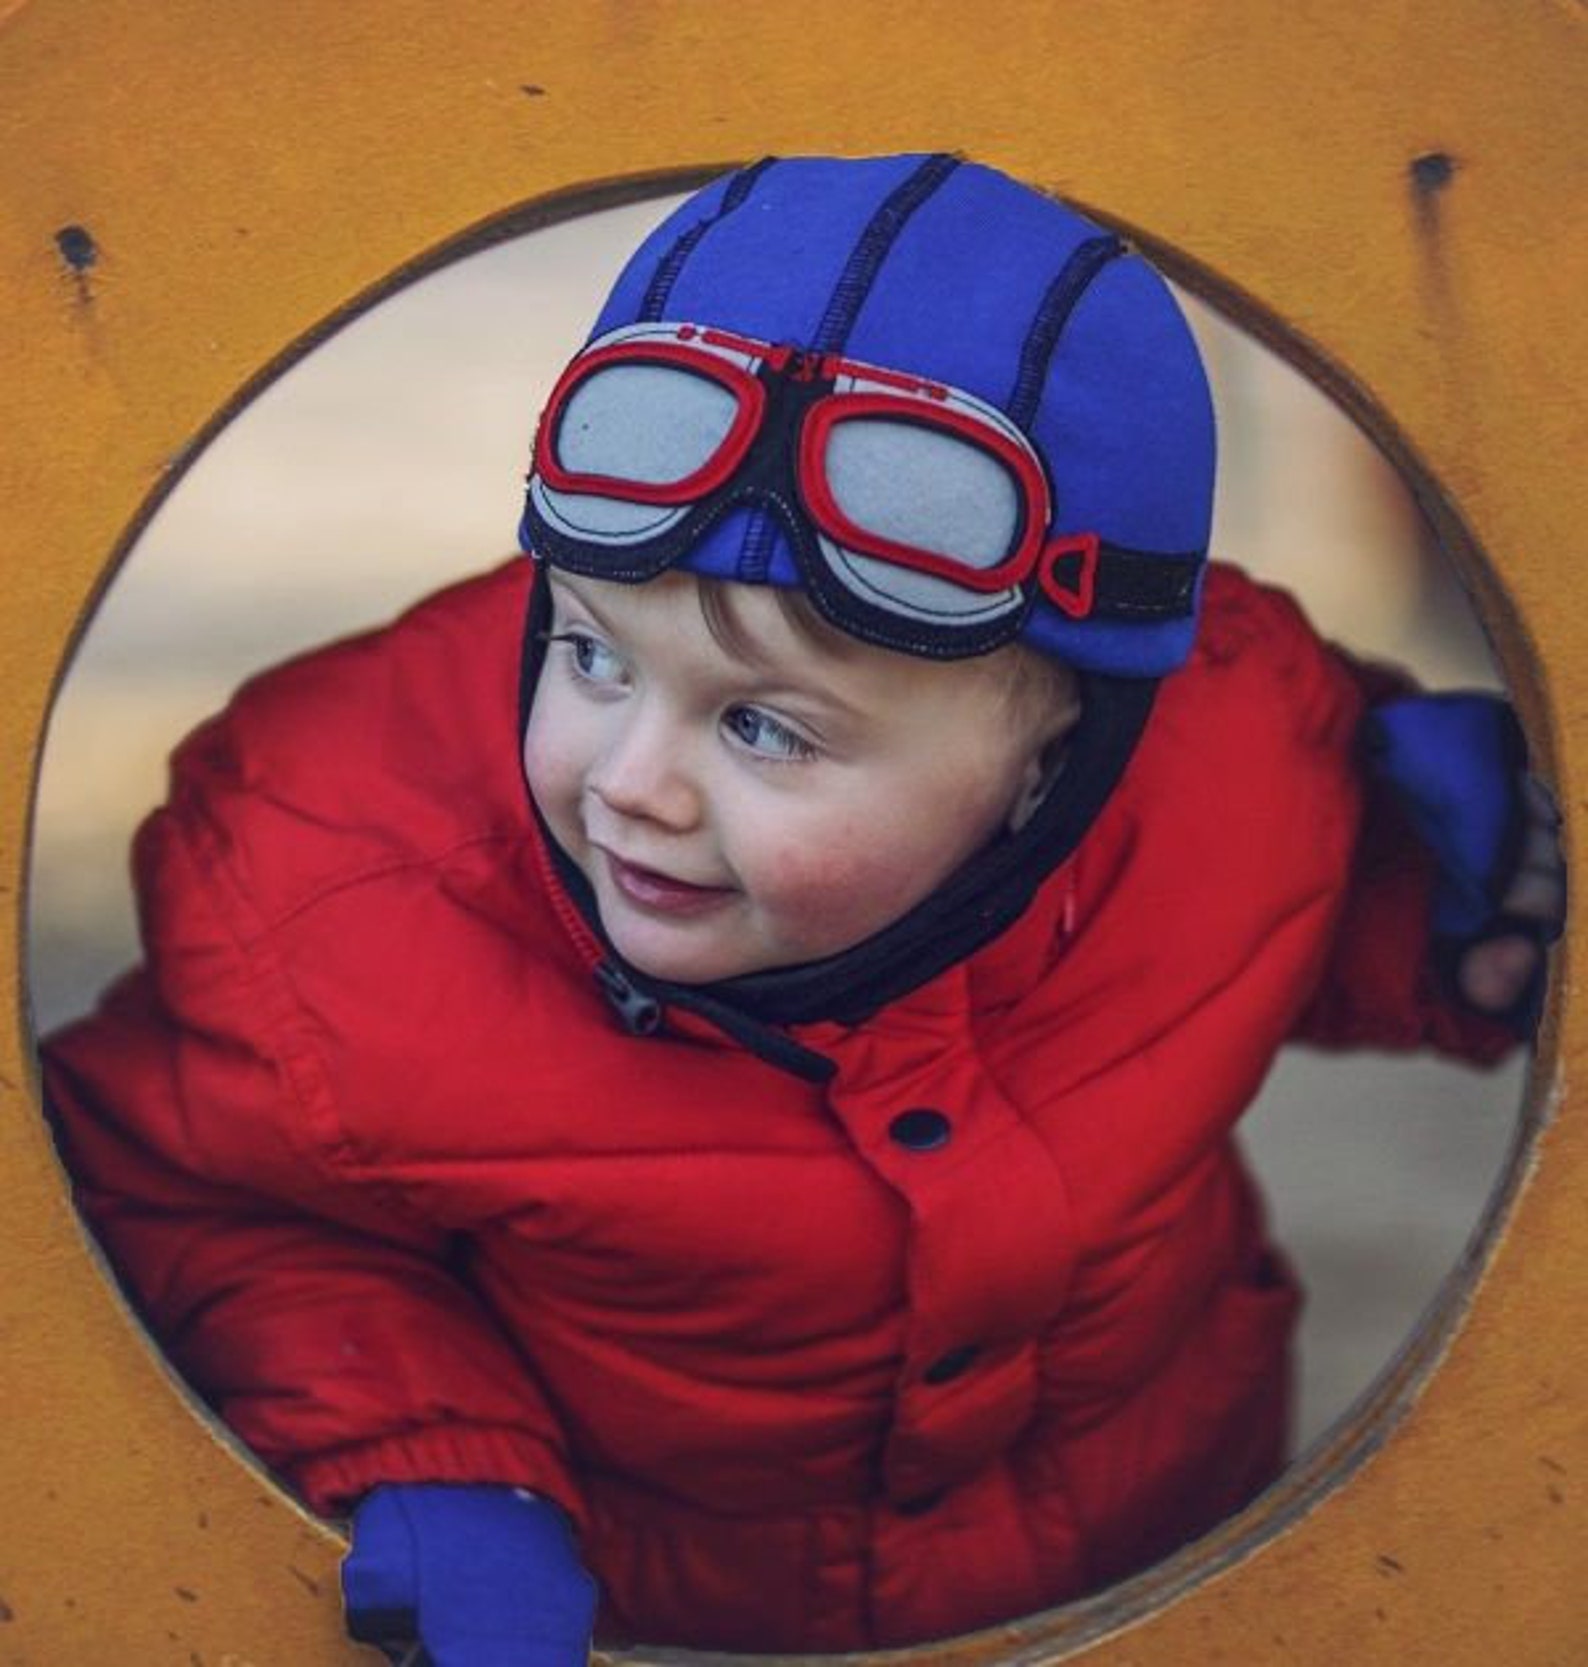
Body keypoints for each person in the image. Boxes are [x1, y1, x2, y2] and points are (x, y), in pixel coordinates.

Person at [40, 154, 1563, 1663]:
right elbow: (195, 1193)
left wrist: (1446, 906)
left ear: (1058, 757)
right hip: (671, 1614)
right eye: (590, 655)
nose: (633, 785)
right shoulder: (331, 902)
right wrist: (431, 1445)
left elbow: (1250, 907)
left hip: (1160, 1550)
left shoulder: (1242, 747)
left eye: (765, 728)